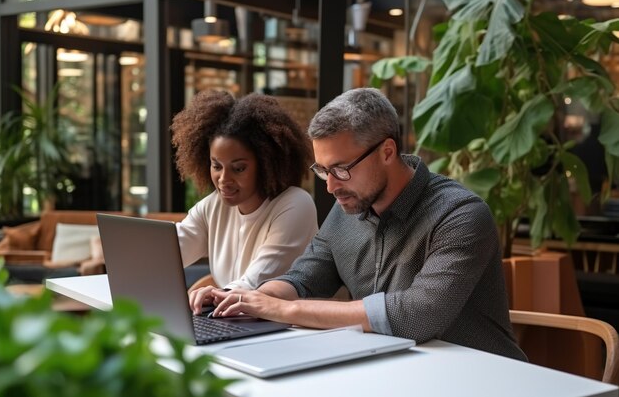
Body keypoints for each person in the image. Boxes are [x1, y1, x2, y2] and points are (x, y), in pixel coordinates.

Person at [203, 87, 527, 361]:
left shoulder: (460, 215)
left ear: (387, 151)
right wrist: (246, 300)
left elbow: (415, 315)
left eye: (341, 169)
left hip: (482, 379)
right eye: (323, 170)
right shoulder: (348, 206)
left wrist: (281, 310)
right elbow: (303, 278)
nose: (330, 186)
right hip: (397, 373)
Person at [172, 89, 318, 307]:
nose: (223, 179)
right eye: (216, 166)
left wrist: (216, 294)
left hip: (289, 330)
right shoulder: (213, 206)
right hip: (233, 319)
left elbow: (256, 283)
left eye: (238, 168)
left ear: (266, 163)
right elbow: (170, 252)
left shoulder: (295, 204)